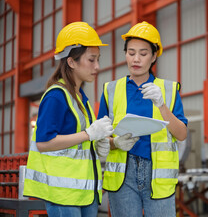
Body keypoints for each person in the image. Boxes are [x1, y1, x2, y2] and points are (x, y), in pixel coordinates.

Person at [96, 21, 188, 216]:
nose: (136, 59)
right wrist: (115, 143)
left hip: (158, 177)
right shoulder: (110, 90)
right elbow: (100, 139)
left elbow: (181, 134)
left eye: (143, 54)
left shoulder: (169, 90)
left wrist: (161, 104)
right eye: (131, 52)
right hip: (123, 177)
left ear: (154, 56)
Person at [23, 21, 114, 217]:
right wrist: (89, 134)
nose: (97, 66)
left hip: (86, 193)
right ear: (71, 62)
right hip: (63, 195)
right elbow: (44, 143)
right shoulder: (56, 96)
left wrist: (103, 143)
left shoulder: (81, 98)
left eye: (98, 59)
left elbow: (80, 142)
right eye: (91, 60)